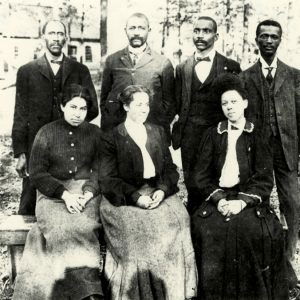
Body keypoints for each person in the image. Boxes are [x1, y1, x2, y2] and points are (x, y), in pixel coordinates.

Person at [191, 73, 288, 299]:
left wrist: (241, 203)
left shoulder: (258, 133)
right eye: (224, 103)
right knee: (208, 231)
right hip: (219, 199)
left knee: (250, 232)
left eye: (234, 101)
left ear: (244, 103)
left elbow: (264, 179)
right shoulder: (213, 134)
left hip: (247, 200)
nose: (229, 107)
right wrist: (220, 200)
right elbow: (201, 176)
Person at [99, 85, 197, 300]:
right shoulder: (111, 137)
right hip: (124, 197)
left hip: (156, 191)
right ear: (126, 106)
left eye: (146, 104)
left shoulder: (157, 132)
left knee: (178, 220)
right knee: (138, 232)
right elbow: (108, 180)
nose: (144, 109)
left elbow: (170, 169)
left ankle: (174, 292)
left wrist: (162, 190)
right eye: (138, 104)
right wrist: (136, 198)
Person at [12, 84, 103, 300]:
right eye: (72, 107)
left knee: (83, 226)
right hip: (52, 194)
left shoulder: (95, 133)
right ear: (62, 106)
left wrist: (88, 192)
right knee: (61, 229)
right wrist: (64, 194)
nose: (77, 113)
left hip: (86, 193)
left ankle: (84, 291)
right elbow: (37, 173)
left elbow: (102, 169)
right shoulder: (46, 132)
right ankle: (88, 293)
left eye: (82, 109)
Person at [12, 19, 99, 215]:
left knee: (72, 202)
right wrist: (20, 152)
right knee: (29, 203)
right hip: (36, 144)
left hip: (70, 144)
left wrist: (73, 121)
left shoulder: (80, 70)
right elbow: (19, 114)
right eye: (52, 33)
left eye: (60, 34)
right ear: (43, 36)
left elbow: (92, 108)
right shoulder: (27, 71)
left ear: (66, 38)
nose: (56, 38)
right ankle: (27, 241)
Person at [240, 19, 300, 291]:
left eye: (273, 37)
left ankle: (287, 262)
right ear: (256, 40)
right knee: (258, 206)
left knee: (294, 206)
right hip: (258, 153)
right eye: (263, 36)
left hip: (287, 150)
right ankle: (262, 266)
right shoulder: (246, 77)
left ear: (280, 40)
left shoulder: (294, 75)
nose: (268, 41)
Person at [172, 16, 241, 214]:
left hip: (219, 133)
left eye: (206, 31)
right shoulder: (182, 68)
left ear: (216, 35)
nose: (200, 35)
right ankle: (194, 228)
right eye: (197, 31)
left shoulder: (230, 66)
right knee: (193, 183)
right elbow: (179, 103)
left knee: (217, 179)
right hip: (190, 136)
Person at [100, 12, 175, 141]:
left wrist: (157, 126)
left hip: (151, 134)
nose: (136, 32)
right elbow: (104, 99)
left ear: (149, 30)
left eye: (141, 28)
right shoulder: (112, 60)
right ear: (125, 31)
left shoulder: (162, 63)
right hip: (118, 132)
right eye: (132, 28)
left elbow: (170, 103)